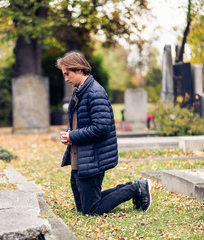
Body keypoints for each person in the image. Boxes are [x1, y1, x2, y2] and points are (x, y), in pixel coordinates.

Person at [56, 51, 152, 215]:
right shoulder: (79, 92)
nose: (65, 79)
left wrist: (73, 135)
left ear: (79, 69)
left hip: (93, 157)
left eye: (67, 74)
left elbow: (101, 127)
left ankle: (135, 188)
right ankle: (132, 187)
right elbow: (82, 123)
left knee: (92, 210)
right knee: (83, 207)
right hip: (80, 156)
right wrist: (70, 135)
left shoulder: (95, 92)